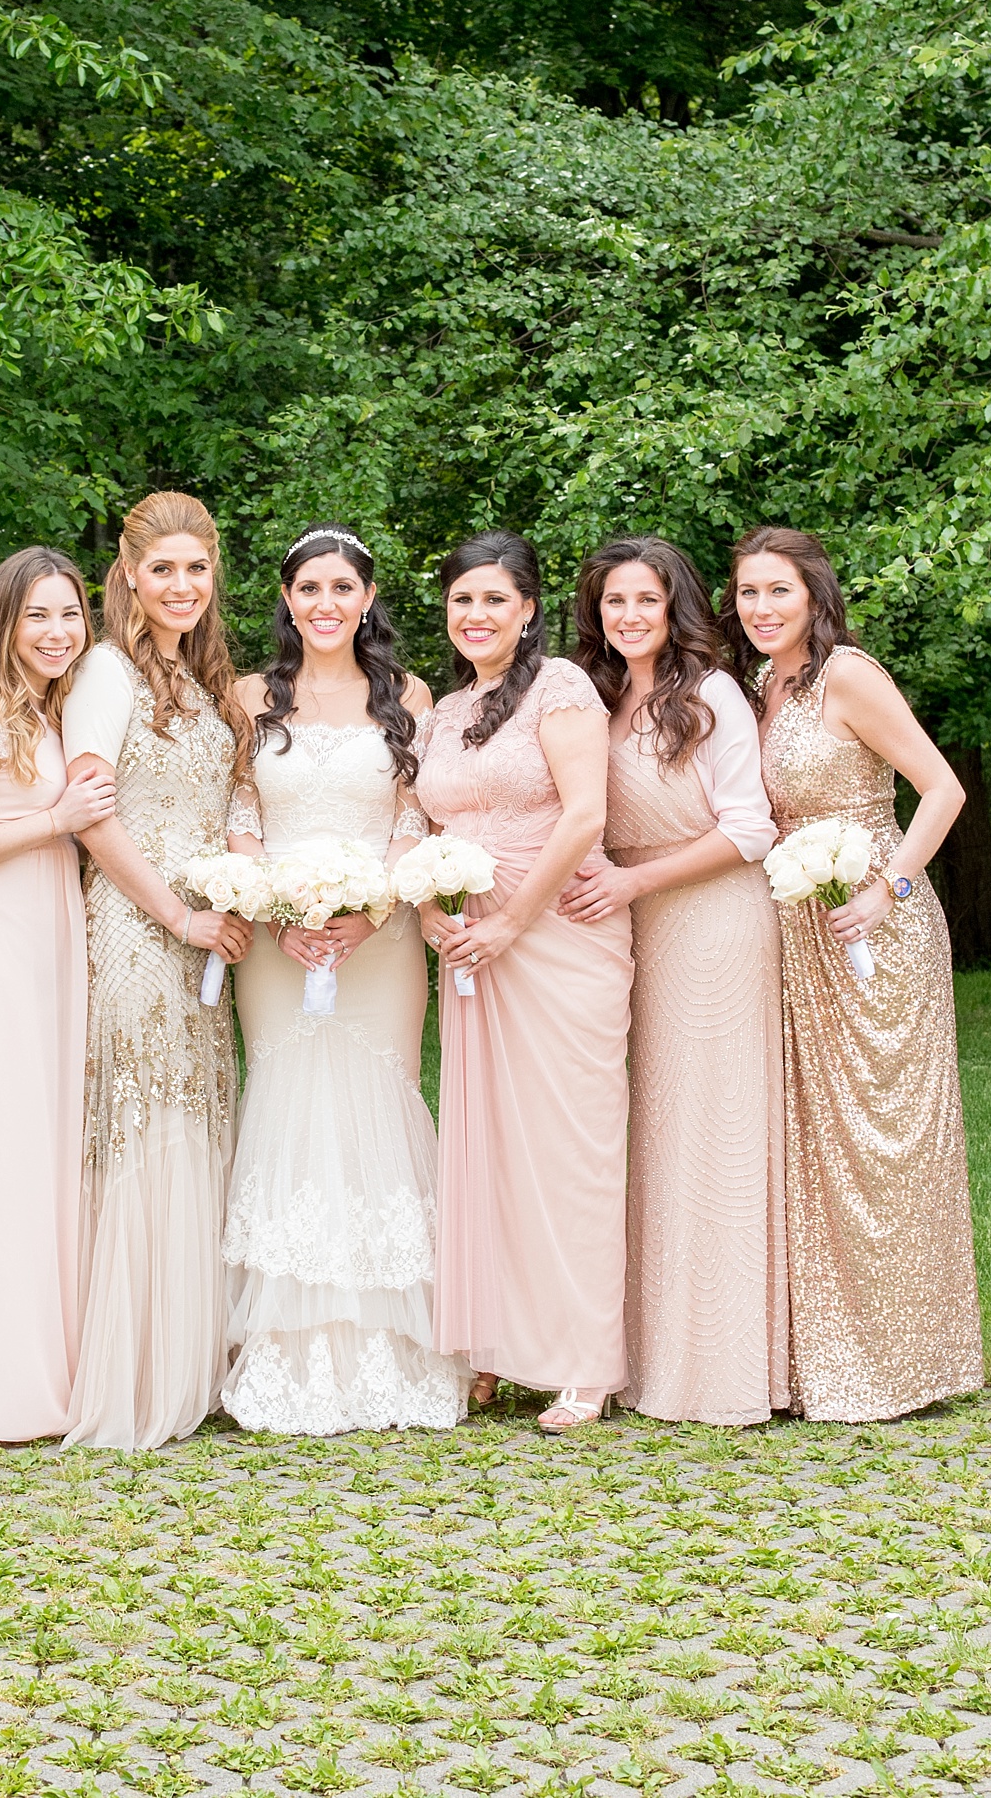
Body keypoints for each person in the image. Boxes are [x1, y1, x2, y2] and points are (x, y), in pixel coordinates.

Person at [727, 524, 984, 1422]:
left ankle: (911, 1360)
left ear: (815, 596)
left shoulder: (849, 674)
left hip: (879, 921)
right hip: (800, 926)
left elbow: (942, 788)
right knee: (820, 1142)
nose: (761, 609)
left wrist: (889, 888)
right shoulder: (765, 684)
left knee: (887, 1136)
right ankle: (828, 1356)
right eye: (749, 593)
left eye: (778, 592)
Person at [222, 526, 468, 1434]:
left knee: (380, 1105)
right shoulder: (250, 694)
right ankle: (282, 1350)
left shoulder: (407, 694)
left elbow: (414, 813)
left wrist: (371, 911)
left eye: (342, 588)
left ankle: (396, 1352)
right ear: (286, 599)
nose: (325, 604)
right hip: (278, 945)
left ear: (368, 599)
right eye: (308, 588)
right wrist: (278, 910)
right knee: (289, 1106)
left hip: (383, 937)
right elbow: (241, 809)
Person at [560, 537, 786, 1427]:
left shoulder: (713, 693)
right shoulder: (600, 698)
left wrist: (630, 881)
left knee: (712, 1134)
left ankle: (721, 1366)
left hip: (713, 921)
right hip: (628, 928)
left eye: (645, 601)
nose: (629, 617)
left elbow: (750, 829)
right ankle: (648, 1349)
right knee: (649, 1132)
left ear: (675, 606)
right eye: (615, 603)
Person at [414, 530, 632, 1432]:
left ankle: (585, 1358)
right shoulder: (444, 711)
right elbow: (427, 824)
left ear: (530, 608)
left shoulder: (561, 689)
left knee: (571, 1144)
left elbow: (586, 814)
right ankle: (494, 1347)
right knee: (488, 1145)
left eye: (495, 600)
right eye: (463, 600)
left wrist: (511, 920)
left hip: (557, 935)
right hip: (470, 949)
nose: (477, 616)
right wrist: (429, 903)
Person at [59, 492, 253, 1449]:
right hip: (141, 931)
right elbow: (92, 814)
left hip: (208, 933)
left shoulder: (203, 678)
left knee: (197, 1111)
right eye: (164, 569)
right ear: (129, 575)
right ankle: (136, 1374)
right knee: (146, 1123)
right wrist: (178, 912)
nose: (182, 586)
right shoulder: (106, 671)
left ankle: (194, 1359)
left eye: (198, 569)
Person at [0, 548, 116, 1441]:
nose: (56, 632)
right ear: (1, 623)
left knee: (41, 1138)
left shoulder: (52, 709)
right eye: (37, 616)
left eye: (70, 614)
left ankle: (50, 1356)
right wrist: (54, 823)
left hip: (47, 935)